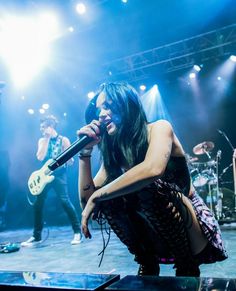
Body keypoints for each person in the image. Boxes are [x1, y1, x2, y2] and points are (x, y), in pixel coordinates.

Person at [77, 82, 227, 277]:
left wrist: (98, 196)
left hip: (191, 230)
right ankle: (146, 262)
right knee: (108, 199)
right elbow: (86, 200)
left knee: (151, 188)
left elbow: (153, 169)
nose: (101, 114)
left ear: (127, 104)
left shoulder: (159, 128)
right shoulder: (116, 151)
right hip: (155, 234)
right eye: (99, 110)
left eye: (108, 106)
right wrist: (85, 153)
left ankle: (186, 266)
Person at [21, 115, 82, 246]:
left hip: (59, 175)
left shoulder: (63, 140)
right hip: (44, 176)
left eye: (43, 127)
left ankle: (77, 232)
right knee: (38, 204)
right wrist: (47, 138)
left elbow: (70, 162)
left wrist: (69, 159)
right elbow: (40, 157)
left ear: (50, 126)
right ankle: (36, 236)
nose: (41, 130)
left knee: (65, 201)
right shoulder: (42, 141)